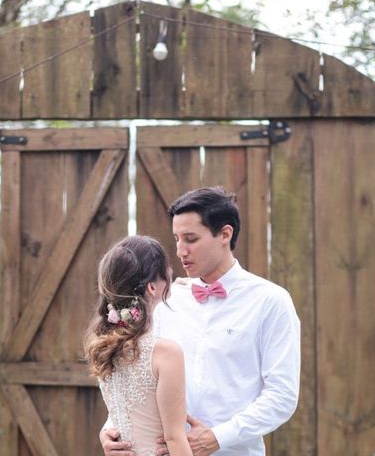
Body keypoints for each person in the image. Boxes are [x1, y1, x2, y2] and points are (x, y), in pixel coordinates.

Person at [100, 187, 300, 456]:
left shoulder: (270, 302)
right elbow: (138, 376)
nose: (180, 251)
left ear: (225, 234)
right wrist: (112, 427)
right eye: (177, 239)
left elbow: (282, 396)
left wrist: (217, 438)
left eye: (191, 239)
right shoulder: (164, 302)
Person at [85, 235, 193, 456]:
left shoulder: (105, 348)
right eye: (167, 268)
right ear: (152, 287)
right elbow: (173, 437)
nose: (172, 273)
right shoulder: (165, 353)